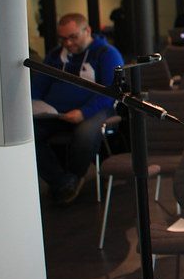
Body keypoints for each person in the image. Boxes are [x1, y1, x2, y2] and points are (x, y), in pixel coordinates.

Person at [31, 13, 124, 205]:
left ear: (87, 31)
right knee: (29, 133)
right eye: (63, 38)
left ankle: (75, 176)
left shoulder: (106, 53)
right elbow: (39, 84)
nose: (68, 43)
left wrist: (84, 112)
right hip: (56, 112)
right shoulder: (55, 55)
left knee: (85, 133)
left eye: (73, 37)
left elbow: (111, 91)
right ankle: (62, 181)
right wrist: (32, 103)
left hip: (97, 109)